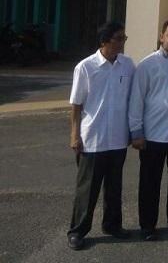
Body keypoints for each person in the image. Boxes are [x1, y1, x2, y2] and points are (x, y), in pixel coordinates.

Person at [67, 21, 134, 251]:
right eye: (118, 38)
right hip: (92, 139)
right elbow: (76, 105)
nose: (122, 42)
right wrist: (74, 135)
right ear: (104, 41)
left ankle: (112, 225)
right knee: (87, 190)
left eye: (124, 38)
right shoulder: (86, 67)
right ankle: (77, 231)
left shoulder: (127, 65)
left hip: (118, 138)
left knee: (114, 188)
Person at [128, 19, 168, 241]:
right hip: (152, 136)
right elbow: (136, 99)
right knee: (149, 184)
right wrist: (136, 132)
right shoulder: (147, 64)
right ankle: (148, 226)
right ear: (161, 36)